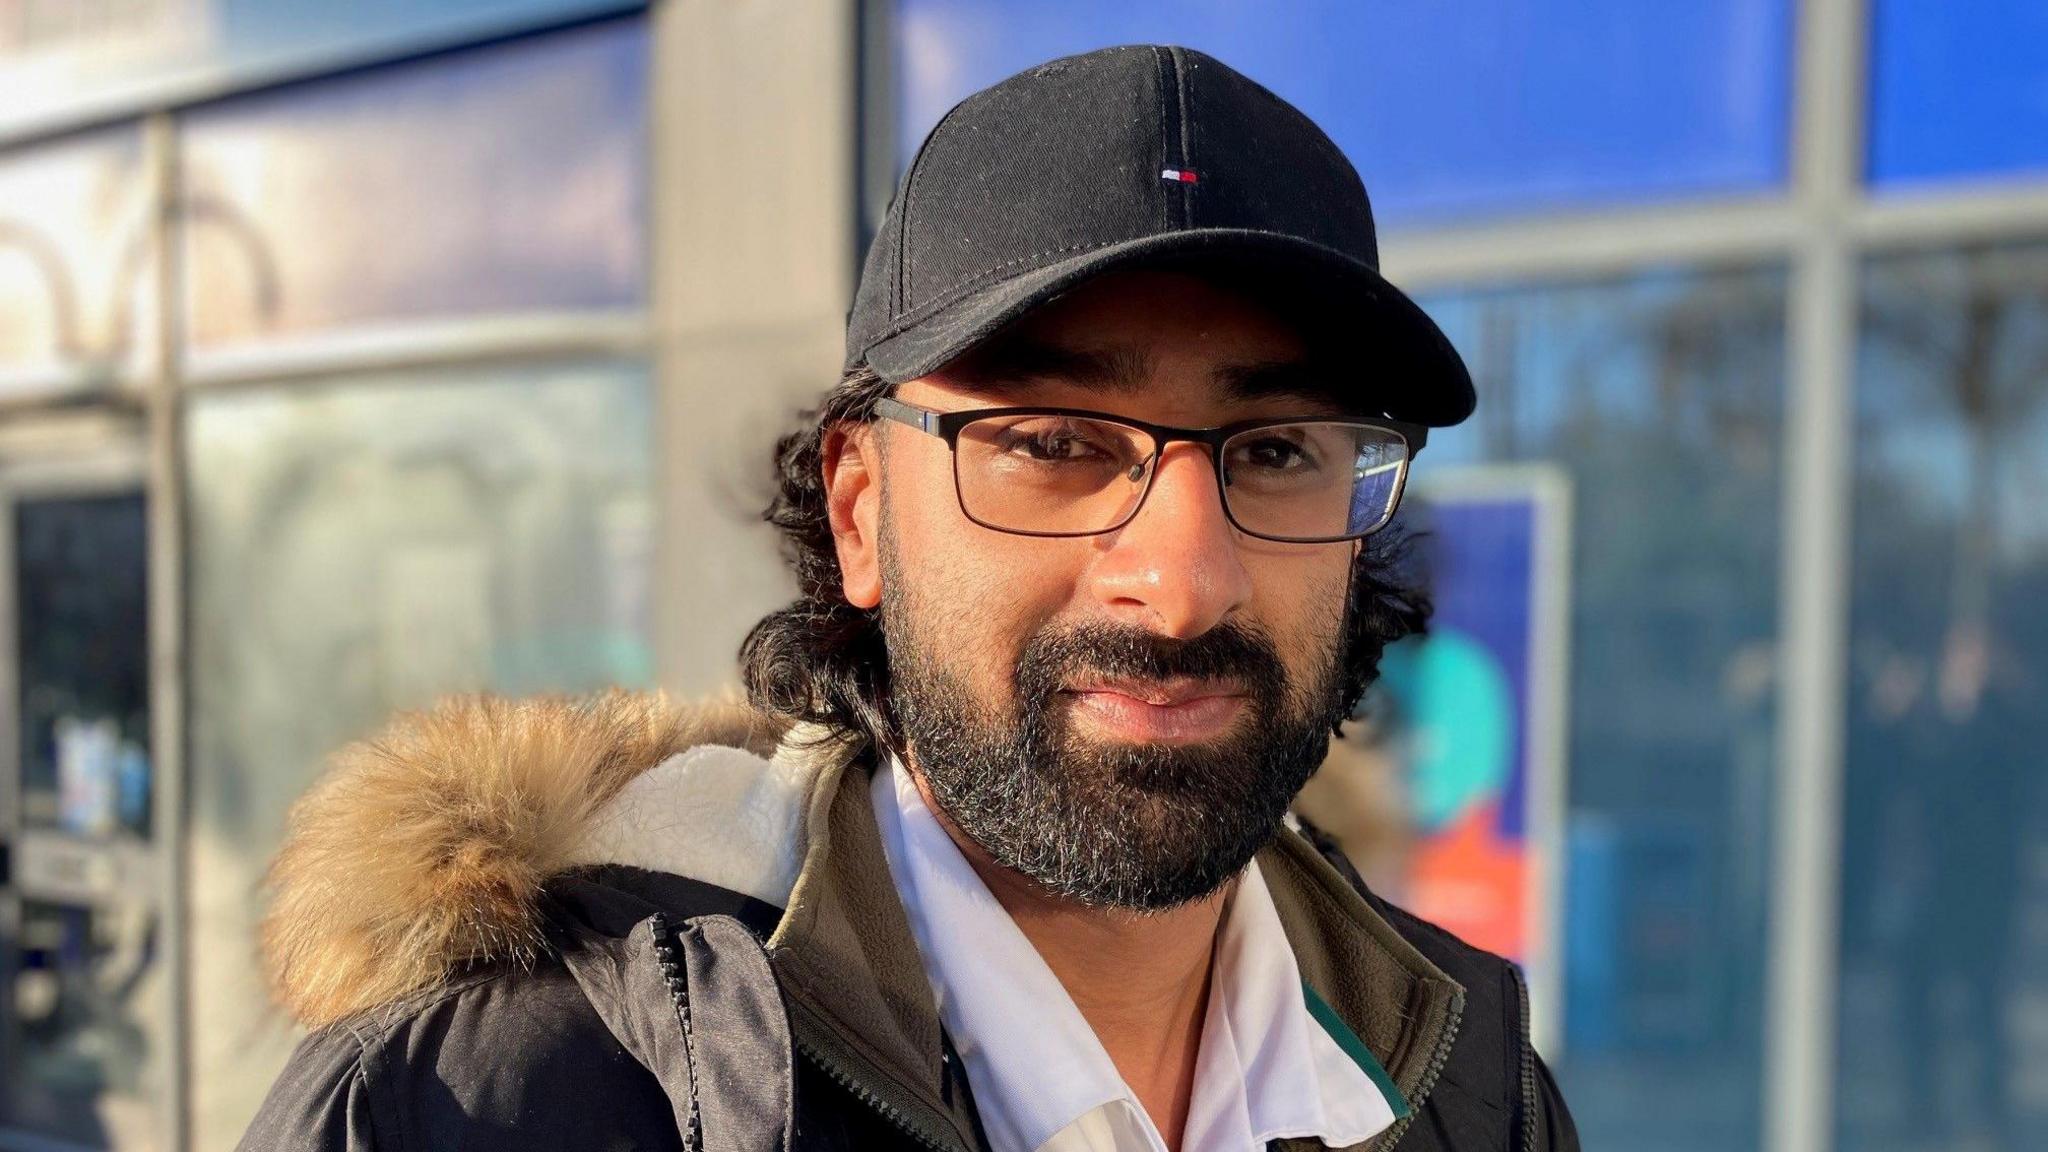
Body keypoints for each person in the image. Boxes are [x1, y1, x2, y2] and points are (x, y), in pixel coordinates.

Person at [241, 45, 1576, 1152]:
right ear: (863, 514)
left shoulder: (1472, 1080)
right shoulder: (482, 1103)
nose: (1179, 584)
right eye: (1054, 444)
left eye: (1277, 452)